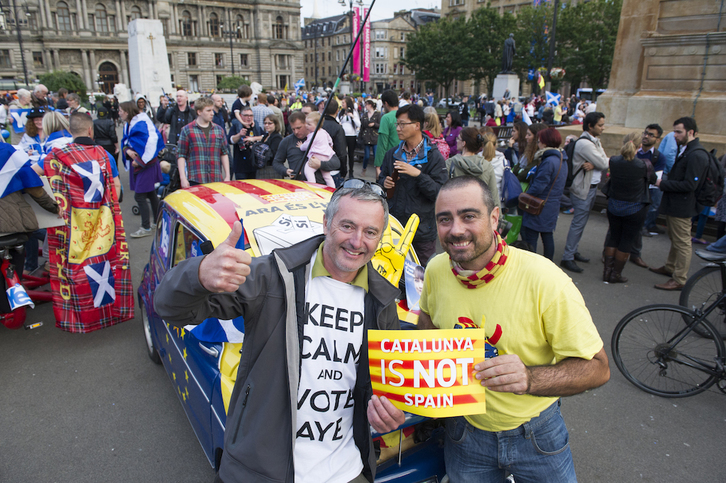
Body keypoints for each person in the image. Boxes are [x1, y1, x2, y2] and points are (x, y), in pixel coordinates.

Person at [153, 184, 406, 483]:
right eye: (347, 225)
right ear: (326, 223)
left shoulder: (381, 302)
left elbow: (383, 384)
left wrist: (389, 409)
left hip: (346, 471)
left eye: (370, 232)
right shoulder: (270, 275)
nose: (356, 241)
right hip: (261, 471)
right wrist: (198, 274)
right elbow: (170, 307)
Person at [417, 175, 609, 483]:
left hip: (535, 433)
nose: (456, 230)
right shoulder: (437, 269)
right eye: (444, 219)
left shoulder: (545, 279)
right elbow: (426, 325)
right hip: (463, 431)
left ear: (494, 218)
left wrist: (529, 378)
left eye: (469, 216)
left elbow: (598, 368)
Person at [43, 112, 134, 332]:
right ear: (90, 130)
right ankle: (112, 312)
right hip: (103, 222)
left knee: (76, 267)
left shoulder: (56, 156)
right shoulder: (103, 154)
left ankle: (81, 318)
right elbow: (116, 187)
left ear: (70, 131)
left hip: (75, 224)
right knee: (106, 265)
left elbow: (38, 176)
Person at [378, 104, 448, 265]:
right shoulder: (392, 154)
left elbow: (440, 194)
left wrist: (418, 175)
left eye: (402, 124)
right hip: (394, 228)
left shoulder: (433, 157)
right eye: (397, 124)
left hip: (421, 233)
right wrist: (384, 182)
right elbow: (381, 180)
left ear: (417, 125)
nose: (398, 128)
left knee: (421, 278)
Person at [650, 117, 711, 291]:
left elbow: (690, 185)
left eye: (678, 131)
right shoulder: (687, 150)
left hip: (682, 205)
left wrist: (662, 183)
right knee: (676, 238)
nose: (674, 135)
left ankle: (680, 278)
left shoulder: (696, 154)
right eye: (675, 131)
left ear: (691, 132)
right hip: (677, 203)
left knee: (682, 242)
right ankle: (670, 267)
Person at [602, 132, 657, 283]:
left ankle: (606, 272)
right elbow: (653, 179)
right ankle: (615, 274)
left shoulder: (614, 161)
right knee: (626, 240)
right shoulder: (644, 164)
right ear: (640, 146)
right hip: (635, 207)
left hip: (614, 205)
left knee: (613, 237)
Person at [560, 112, 609, 273]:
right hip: (583, 189)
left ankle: (573, 251)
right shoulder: (586, 144)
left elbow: (602, 161)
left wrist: (595, 164)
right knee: (578, 223)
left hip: (591, 187)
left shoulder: (595, 141)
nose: (603, 128)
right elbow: (604, 162)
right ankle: (568, 257)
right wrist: (598, 163)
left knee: (581, 222)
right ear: (590, 126)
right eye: (600, 125)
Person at [519, 128, 567, 260]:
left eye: (539, 141)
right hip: (552, 204)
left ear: (545, 143)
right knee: (547, 236)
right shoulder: (562, 158)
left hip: (539, 205)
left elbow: (539, 186)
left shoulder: (549, 161)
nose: (538, 143)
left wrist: (525, 195)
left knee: (531, 238)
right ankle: (549, 265)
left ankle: (533, 266)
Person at [119, 101, 165, 238]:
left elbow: (151, 144)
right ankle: (158, 222)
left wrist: (140, 160)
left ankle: (146, 226)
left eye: (120, 110)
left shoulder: (142, 123)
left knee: (140, 196)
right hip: (143, 165)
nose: (119, 112)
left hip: (146, 165)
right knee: (150, 194)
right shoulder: (130, 124)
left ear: (127, 112)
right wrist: (128, 151)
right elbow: (127, 142)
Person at [272, 111, 341, 184]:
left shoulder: (319, 137)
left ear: (306, 124)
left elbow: (336, 163)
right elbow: (277, 162)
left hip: (319, 185)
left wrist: (321, 164)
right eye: (293, 129)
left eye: (299, 128)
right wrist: (285, 171)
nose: (296, 132)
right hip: (298, 185)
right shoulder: (286, 141)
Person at [177, 96, 230, 188]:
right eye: (208, 110)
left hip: (216, 179)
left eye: (212, 110)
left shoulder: (219, 130)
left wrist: (228, 176)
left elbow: (224, 153)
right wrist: (183, 178)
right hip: (196, 179)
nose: (212, 113)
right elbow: (181, 155)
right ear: (199, 112)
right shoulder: (187, 130)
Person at [447, 127, 499, 205]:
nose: (456, 141)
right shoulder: (487, 166)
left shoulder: (450, 163)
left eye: (458, 138)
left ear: (464, 143)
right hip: (479, 211)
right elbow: (494, 196)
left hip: (456, 210)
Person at [299, 112, 336, 188]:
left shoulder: (313, 135)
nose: (306, 126)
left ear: (317, 125)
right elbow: (330, 140)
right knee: (326, 175)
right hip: (326, 156)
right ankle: (333, 188)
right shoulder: (323, 131)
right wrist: (331, 145)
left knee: (308, 170)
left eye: (309, 124)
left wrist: (300, 146)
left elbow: (307, 145)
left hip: (317, 156)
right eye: (307, 123)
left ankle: (312, 186)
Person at [228, 106, 263, 180]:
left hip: (254, 164)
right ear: (241, 116)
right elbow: (230, 140)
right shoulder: (236, 126)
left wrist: (253, 138)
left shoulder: (256, 126)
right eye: (246, 115)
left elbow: (265, 137)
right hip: (241, 166)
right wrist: (239, 135)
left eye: (251, 115)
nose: (249, 118)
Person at [374, 90, 399, 177]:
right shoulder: (404, 115)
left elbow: (382, 143)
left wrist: (378, 165)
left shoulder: (386, 118)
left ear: (386, 103)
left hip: (389, 160)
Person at [338, 96, 361, 179]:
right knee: (343, 154)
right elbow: (338, 121)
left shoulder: (354, 112)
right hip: (343, 135)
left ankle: (351, 171)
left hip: (351, 135)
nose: (342, 104)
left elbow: (359, 124)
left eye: (343, 103)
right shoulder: (341, 112)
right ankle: (343, 170)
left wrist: (352, 116)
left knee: (351, 154)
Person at [255, 114, 283, 179]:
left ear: (275, 124)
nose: (267, 125)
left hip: (272, 170)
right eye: (265, 123)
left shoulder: (277, 137)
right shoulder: (266, 136)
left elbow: (274, 155)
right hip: (263, 168)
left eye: (270, 123)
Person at [480, 132, 508, 199]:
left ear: (482, 144)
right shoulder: (503, 160)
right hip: (499, 198)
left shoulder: (476, 160)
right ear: (495, 145)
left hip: (481, 198)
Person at [359, 99, 380, 176]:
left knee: (376, 155)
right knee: (367, 156)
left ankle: (377, 171)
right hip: (366, 137)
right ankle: (364, 169)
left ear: (370, 105)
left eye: (366, 105)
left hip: (374, 137)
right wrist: (360, 137)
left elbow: (380, 125)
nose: (365, 107)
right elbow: (362, 127)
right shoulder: (364, 115)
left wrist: (374, 124)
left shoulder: (377, 114)